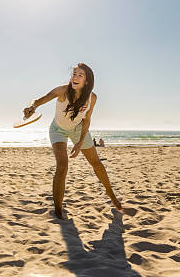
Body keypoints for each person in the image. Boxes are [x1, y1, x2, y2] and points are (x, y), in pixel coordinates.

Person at [23, 63, 122, 219]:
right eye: (74, 74)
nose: (75, 77)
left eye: (79, 75)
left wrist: (79, 143)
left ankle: (112, 195)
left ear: (87, 81)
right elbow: (38, 100)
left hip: (78, 130)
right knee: (62, 165)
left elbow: (87, 120)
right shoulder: (62, 91)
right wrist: (31, 107)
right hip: (58, 130)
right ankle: (58, 210)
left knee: (96, 163)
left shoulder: (92, 97)